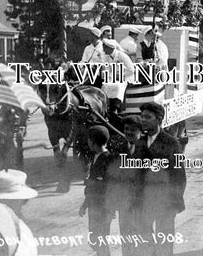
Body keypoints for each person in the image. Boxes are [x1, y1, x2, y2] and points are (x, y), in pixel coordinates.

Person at [133, 102, 186, 256]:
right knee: (144, 243)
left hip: (165, 202)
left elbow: (179, 176)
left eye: (148, 117)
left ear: (159, 119)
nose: (143, 120)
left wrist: (176, 202)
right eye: (142, 117)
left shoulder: (171, 143)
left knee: (164, 244)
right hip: (144, 201)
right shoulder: (139, 143)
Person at [105, 115, 143, 256]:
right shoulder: (118, 149)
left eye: (132, 130)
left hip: (142, 204)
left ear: (140, 131)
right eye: (126, 129)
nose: (128, 132)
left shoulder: (147, 150)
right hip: (124, 204)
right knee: (126, 237)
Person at [79, 125, 113, 256]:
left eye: (88, 140)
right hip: (94, 206)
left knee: (101, 239)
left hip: (103, 207)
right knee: (95, 239)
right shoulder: (95, 157)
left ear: (92, 142)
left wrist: (93, 182)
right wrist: (85, 205)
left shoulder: (108, 159)